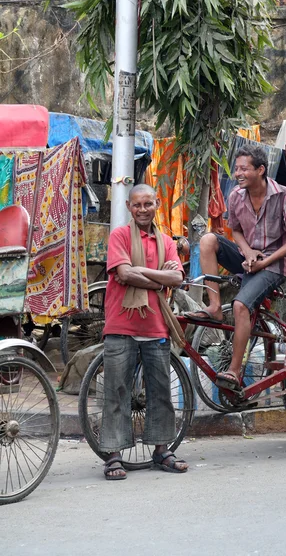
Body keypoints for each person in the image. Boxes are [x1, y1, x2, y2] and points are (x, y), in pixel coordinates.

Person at [186, 145, 286, 390]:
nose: (238, 174)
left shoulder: (285, 196)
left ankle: (233, 370)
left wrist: (265, 261)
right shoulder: (236, 196)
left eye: (244, 169)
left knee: (241, 306)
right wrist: (248, 251)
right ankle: (215, 305)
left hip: (274, 265)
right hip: (247, 258)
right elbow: (236, 229)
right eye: (236, 169)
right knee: (208, 240)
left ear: (261, 170)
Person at [100, 184, 188, 479]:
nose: (142, 209)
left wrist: (143, 273)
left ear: (157, 204)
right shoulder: (120, 236)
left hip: (155, 325)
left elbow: (176, 277)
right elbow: (123, 274)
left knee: (160, 391)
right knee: (116, 391)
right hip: (121, 324)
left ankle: (162, 450)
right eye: (137, 205)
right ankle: (113, 455)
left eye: (147, 204)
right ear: (129, 206)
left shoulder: (166, 241)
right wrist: (158, 279)